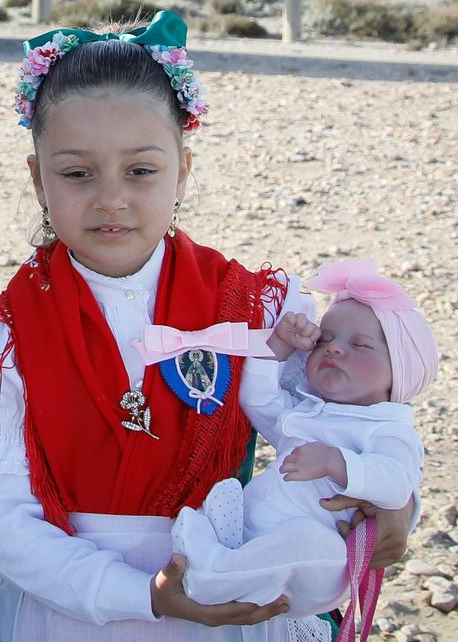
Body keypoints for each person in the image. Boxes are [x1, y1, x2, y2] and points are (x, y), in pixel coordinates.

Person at [0, 13, 415, 642]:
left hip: (225, 635)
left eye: (141, 169)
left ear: (183, 169)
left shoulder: (262, 309)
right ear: (37, 178)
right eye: (77, 172)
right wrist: (144, 594)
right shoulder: (1, 337)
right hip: (67, 626)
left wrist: (389, 498)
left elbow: (349, 423)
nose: (112, 198)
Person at [171, 260, 438, 617]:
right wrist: (278, 347)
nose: (334, 349)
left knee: (308, 542)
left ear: (400, 371)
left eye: (360, 345)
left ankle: (214, 576)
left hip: (319, 565)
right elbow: (258, 401)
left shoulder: (388, 428)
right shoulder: (310, 412)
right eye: (325, 339)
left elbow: (397, 485)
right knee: (223, 499)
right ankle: (218, 564)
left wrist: (336, 462)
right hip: (261, 538)